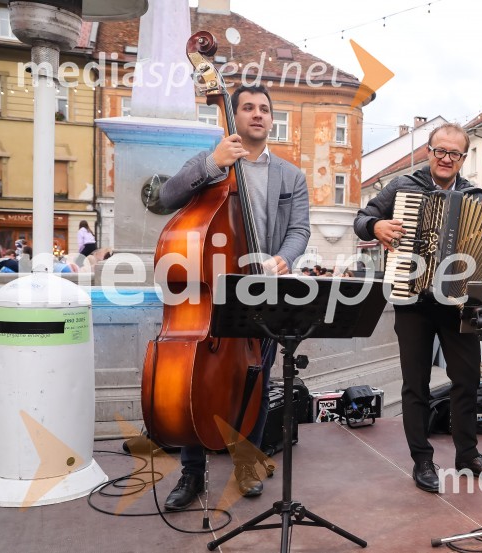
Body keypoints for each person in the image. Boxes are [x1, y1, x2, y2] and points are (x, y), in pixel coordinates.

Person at [157, 84, 310, 510]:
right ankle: (192, 473)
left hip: (260, 289)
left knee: (256, 378)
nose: (257, 114)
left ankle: (247, 462)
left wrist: (284, 258)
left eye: (264, 108)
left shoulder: (291, 176)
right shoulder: (212, 161)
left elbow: (300, 229)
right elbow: (166, 197)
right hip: (211, 288)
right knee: (194, 379)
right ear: (233, 115)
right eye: (248, 107)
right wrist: (212, 163)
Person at [354, 123, 482, 493]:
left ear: (463, 158)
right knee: (416, 384)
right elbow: (360, 220)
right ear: (428, 151)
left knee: (467, 380)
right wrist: (376, 227)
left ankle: (467, 453)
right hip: (413, 300)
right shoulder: (403, 187)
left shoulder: (475, 196)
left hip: (457, 304)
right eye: (440, 151)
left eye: (455, 153)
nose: (446, 159)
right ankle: (422, 459)